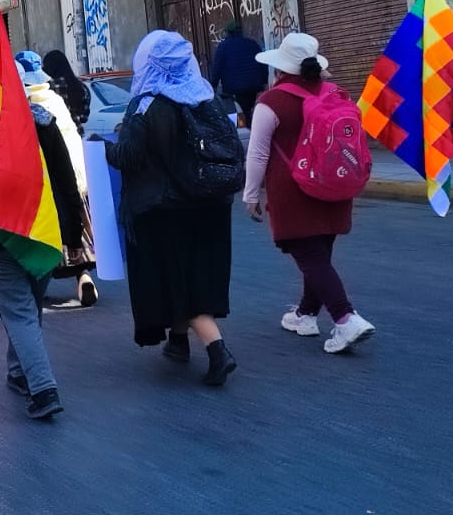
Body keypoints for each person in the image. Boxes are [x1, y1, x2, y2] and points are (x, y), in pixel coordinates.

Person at [0, 66, 87, 420]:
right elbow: (65, 182)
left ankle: (42, 388)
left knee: (20, 310)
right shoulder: (43, 121)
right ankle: (18, 370)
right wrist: (72, 238)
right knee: (27, 308)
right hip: (40, 230)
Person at [105, 30, 237, 386]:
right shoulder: (206, 99)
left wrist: (105, 148)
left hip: (164, 209)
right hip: (209, 205)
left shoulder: (147, 104)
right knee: (194, 276)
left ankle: (217, 349)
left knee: (175, 280)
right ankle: (178, 342)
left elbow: (130, 155)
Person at [247, 32, 376, 354]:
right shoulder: (335, 93)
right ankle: (304, 315)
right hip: (335, 184)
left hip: (293, 191)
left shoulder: (271, 102)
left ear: (280, 70)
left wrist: (251, 194)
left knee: (311, 258)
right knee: (319, 255)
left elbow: (258, 153)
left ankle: (346, 319)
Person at [20, 51, 98, 308]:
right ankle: (83, 275)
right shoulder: (56, 96)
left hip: (48, 177)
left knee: (45, 232)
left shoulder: (27, 106)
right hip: (76, 167)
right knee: (75, 223)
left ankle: (36, 287)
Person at [208, 20, 267, 125]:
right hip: (253, 86)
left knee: (238, 113)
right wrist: (264, 82)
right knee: (249, 109)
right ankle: (252, 127)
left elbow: (217, 68)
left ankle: (244, 130)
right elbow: (262, 63)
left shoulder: (223, 47)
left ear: (227, 32)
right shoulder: (252, 44)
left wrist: (213, 85)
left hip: (234, 89)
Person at [42, 50, 92, 128]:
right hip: (77, 134)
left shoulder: (48, 87)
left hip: (58, 135)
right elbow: (84, 118)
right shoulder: (82, 86)